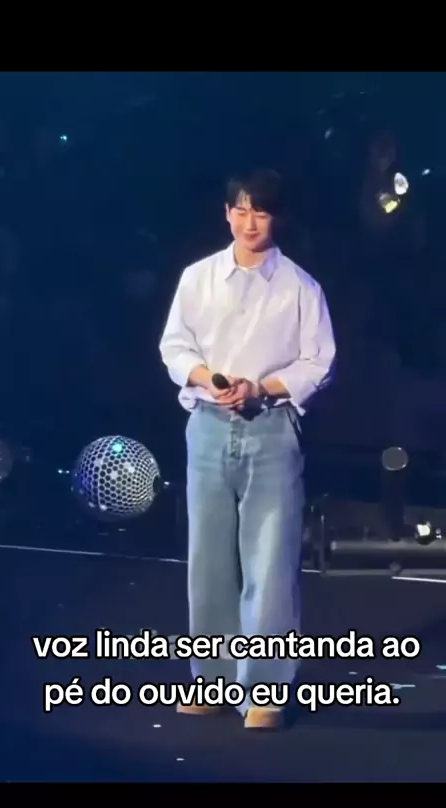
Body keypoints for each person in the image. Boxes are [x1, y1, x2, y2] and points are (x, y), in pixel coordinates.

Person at [159, 169, 336, 729]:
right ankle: (211, 680)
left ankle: (264, 691)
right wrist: (211, 380)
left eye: (260, 211)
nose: (249, 222)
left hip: (271, 428)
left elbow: (319, 362)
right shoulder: (198, 278)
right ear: (226, 213)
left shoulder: (301, 287)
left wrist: (259, 388)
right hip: (209, 424)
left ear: (276, 217)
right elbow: (175, 346)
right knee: (209, 560)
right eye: (240, 210)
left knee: (270, 560)